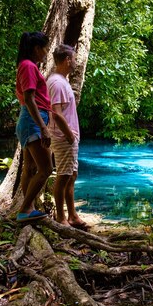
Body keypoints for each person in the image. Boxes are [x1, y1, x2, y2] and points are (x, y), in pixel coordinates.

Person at [15, 32, 71, 223]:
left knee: (29, 167)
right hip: (33, 121)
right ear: (37, 48)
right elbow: (30, 99)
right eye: (45, 48)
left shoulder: (26, 65)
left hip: (30, 120)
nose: (47, 53)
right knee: (46, 169)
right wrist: (43, 127)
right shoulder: (29, 66)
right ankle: (24, 210)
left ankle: (28, 208)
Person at [47, 44, 88, 230]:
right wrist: (69, 135)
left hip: (68, 137)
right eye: (74, 58)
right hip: (63, 137)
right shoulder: (57, 83)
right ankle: (61, 218)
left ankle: (72, 215)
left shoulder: (61, 81)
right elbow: (56, 113)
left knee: (71, 175)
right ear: (67, 60)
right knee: (63, 176)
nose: (76, 62)